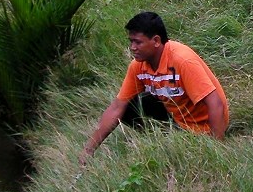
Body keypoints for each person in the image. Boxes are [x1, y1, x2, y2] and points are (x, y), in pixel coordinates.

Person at [80, 11, 229, 164]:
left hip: (202, 127)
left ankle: (186, 142)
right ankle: (163, 140)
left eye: (138, 42)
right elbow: (117, 107)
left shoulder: (182, 60)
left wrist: (216, 149)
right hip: (178, 118)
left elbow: (215, 102)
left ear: (156, 41)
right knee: (130, 106)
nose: (132, 47)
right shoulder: (137, 66)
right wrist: (89, 150)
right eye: (131, 41)